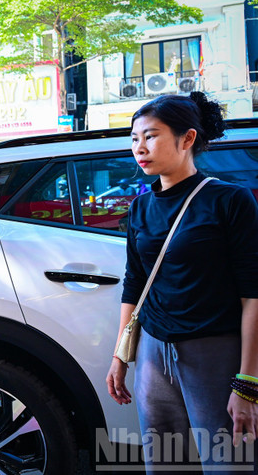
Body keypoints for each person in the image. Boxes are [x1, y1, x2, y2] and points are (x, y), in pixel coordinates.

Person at [106, 92, 258, 473]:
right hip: (153, 354)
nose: (140, 148)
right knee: (164, 464)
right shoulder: (140, 208)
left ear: (187, 138)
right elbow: (134, 283)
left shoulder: (229, 201)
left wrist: (247, 383)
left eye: (151, 136)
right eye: (134, 139)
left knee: (228, 465)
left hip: (215, 354)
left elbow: (253, 295)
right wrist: (120, 357)